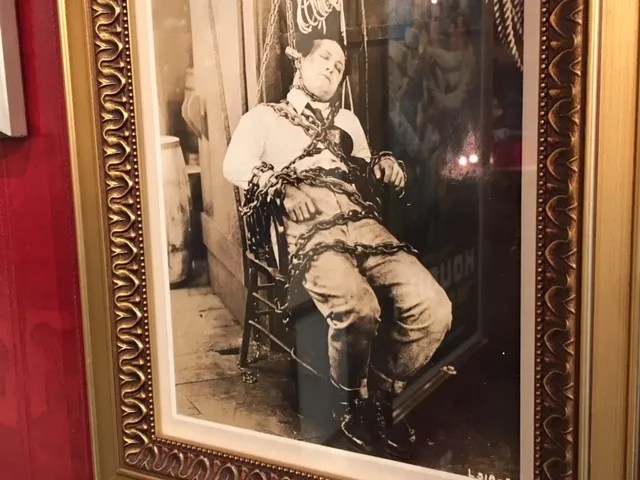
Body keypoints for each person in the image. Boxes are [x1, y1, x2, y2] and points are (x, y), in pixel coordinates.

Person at [223, 34, 452, 458]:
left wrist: (384, 165)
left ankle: (379, 393)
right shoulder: (264, 117)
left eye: (340, 65)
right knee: (358, 308)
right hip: (307, 224)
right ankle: (349, 401)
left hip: (361, 221)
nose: (332, 66)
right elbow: (234, 164)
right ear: (300, 62)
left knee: (433, 305)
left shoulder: (347, 121)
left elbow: (362, 169)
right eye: (324, 57)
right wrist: (283, 190)